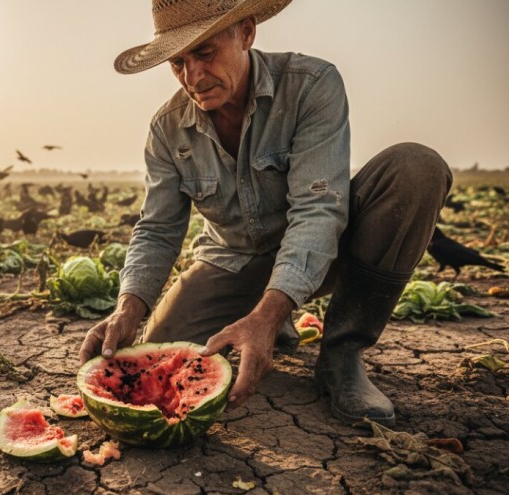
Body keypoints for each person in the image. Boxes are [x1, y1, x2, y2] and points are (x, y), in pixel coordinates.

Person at [78, 0, 452, 427]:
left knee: (416, 167)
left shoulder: (311, 86)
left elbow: (317, 210)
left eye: (205, 52)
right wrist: (128, 307)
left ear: (247, 32)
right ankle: (270, 316)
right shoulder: (167, 129)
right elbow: (158, 228)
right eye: (178, 62)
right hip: (233, 259)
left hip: (331, 251)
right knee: (161, 350)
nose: (193, 77)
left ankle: (342, 353)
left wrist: (266, 315)